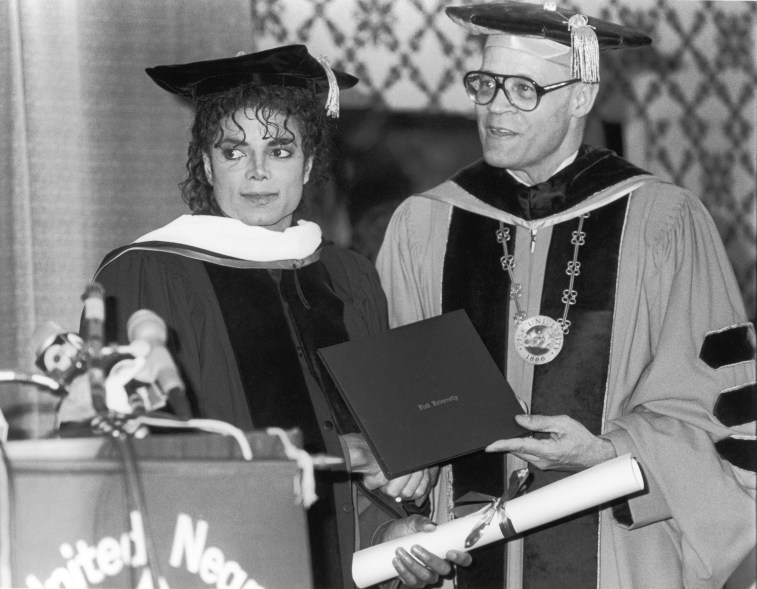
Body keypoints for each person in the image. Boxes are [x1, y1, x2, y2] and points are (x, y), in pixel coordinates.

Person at [375, 3, 756, 588]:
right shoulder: (425, 226)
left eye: (523, 88)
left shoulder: (664, 222)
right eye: (485, 83)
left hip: (621, 553)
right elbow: (399, 423)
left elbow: (712, 411)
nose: (496, 107)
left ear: (580, 96)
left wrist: (607, 454)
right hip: (467, 556)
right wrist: (403, 522)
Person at [81, 45, 448, 589]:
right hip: (211, 568)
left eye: (279, 150)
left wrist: (391, 536)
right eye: (233, 152)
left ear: (308, 163)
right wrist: (329, 452)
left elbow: (374, 464)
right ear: (207, 164)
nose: (256, 173)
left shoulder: (349, 278)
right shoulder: (146, 273)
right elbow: (137, 454)